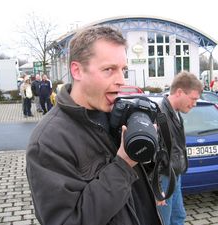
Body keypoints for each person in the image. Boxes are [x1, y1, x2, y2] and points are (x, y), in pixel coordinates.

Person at [26, 25, 163, 225]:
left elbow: (134, 187)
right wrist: (123, 165)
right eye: (109, 69)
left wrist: (146, 151)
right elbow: (67, 221)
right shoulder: (48, 142)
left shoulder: (116, 115)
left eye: (123, 70)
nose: (121, 80)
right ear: (77, 70)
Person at [157, 71, 203, 225]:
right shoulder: (159, 114)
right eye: (193, 99)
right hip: (163, 178)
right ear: (180, 92)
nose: (195, 104)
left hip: (175, 175)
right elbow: (151, 156)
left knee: (178, 216)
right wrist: (157, 188)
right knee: (164, 220)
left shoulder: (175, 113)